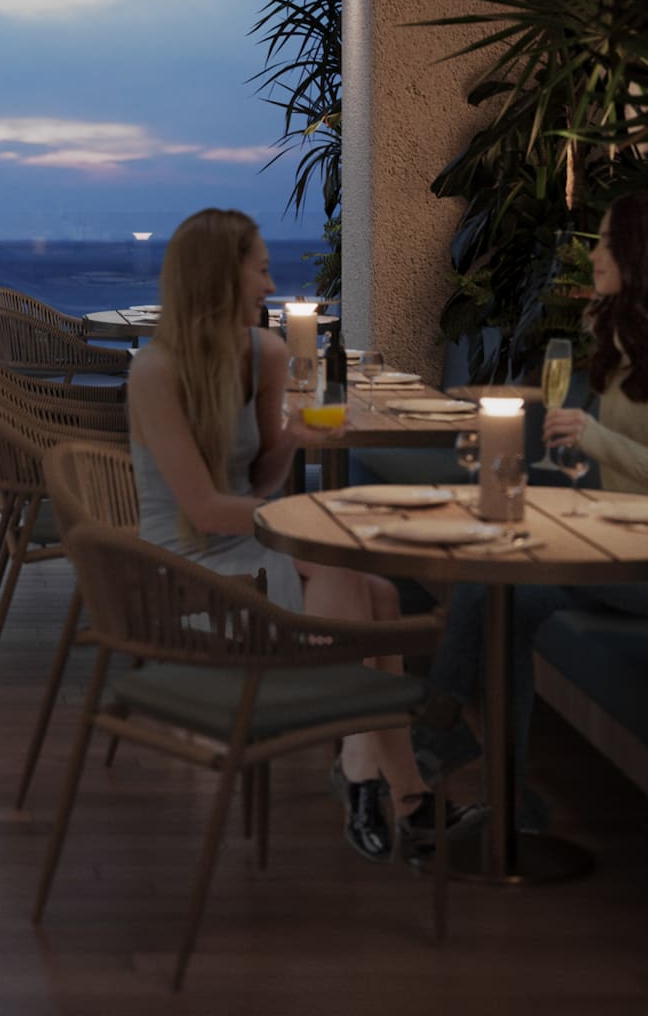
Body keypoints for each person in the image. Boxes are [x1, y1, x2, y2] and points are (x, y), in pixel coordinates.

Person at [127, 208, 471, 862]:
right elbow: (202, 510)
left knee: (380, 594)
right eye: (259, 269)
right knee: (352, 580)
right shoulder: (155, 371)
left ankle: (395, 793)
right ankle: (369, 771)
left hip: (245, 536)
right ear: (221, 276)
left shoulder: (266, 352)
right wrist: (314, 525)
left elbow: (258, 487)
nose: (270, 283)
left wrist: (293, 439)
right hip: (184, 555)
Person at [413, 191, 648, 824]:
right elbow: (616, 464)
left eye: (610, 244)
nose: (596, 255)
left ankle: (437, 725)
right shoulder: (633, 346)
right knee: (498, 590)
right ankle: (509, 799)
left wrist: (595, 440)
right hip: (612, 540)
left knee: (496, 586)